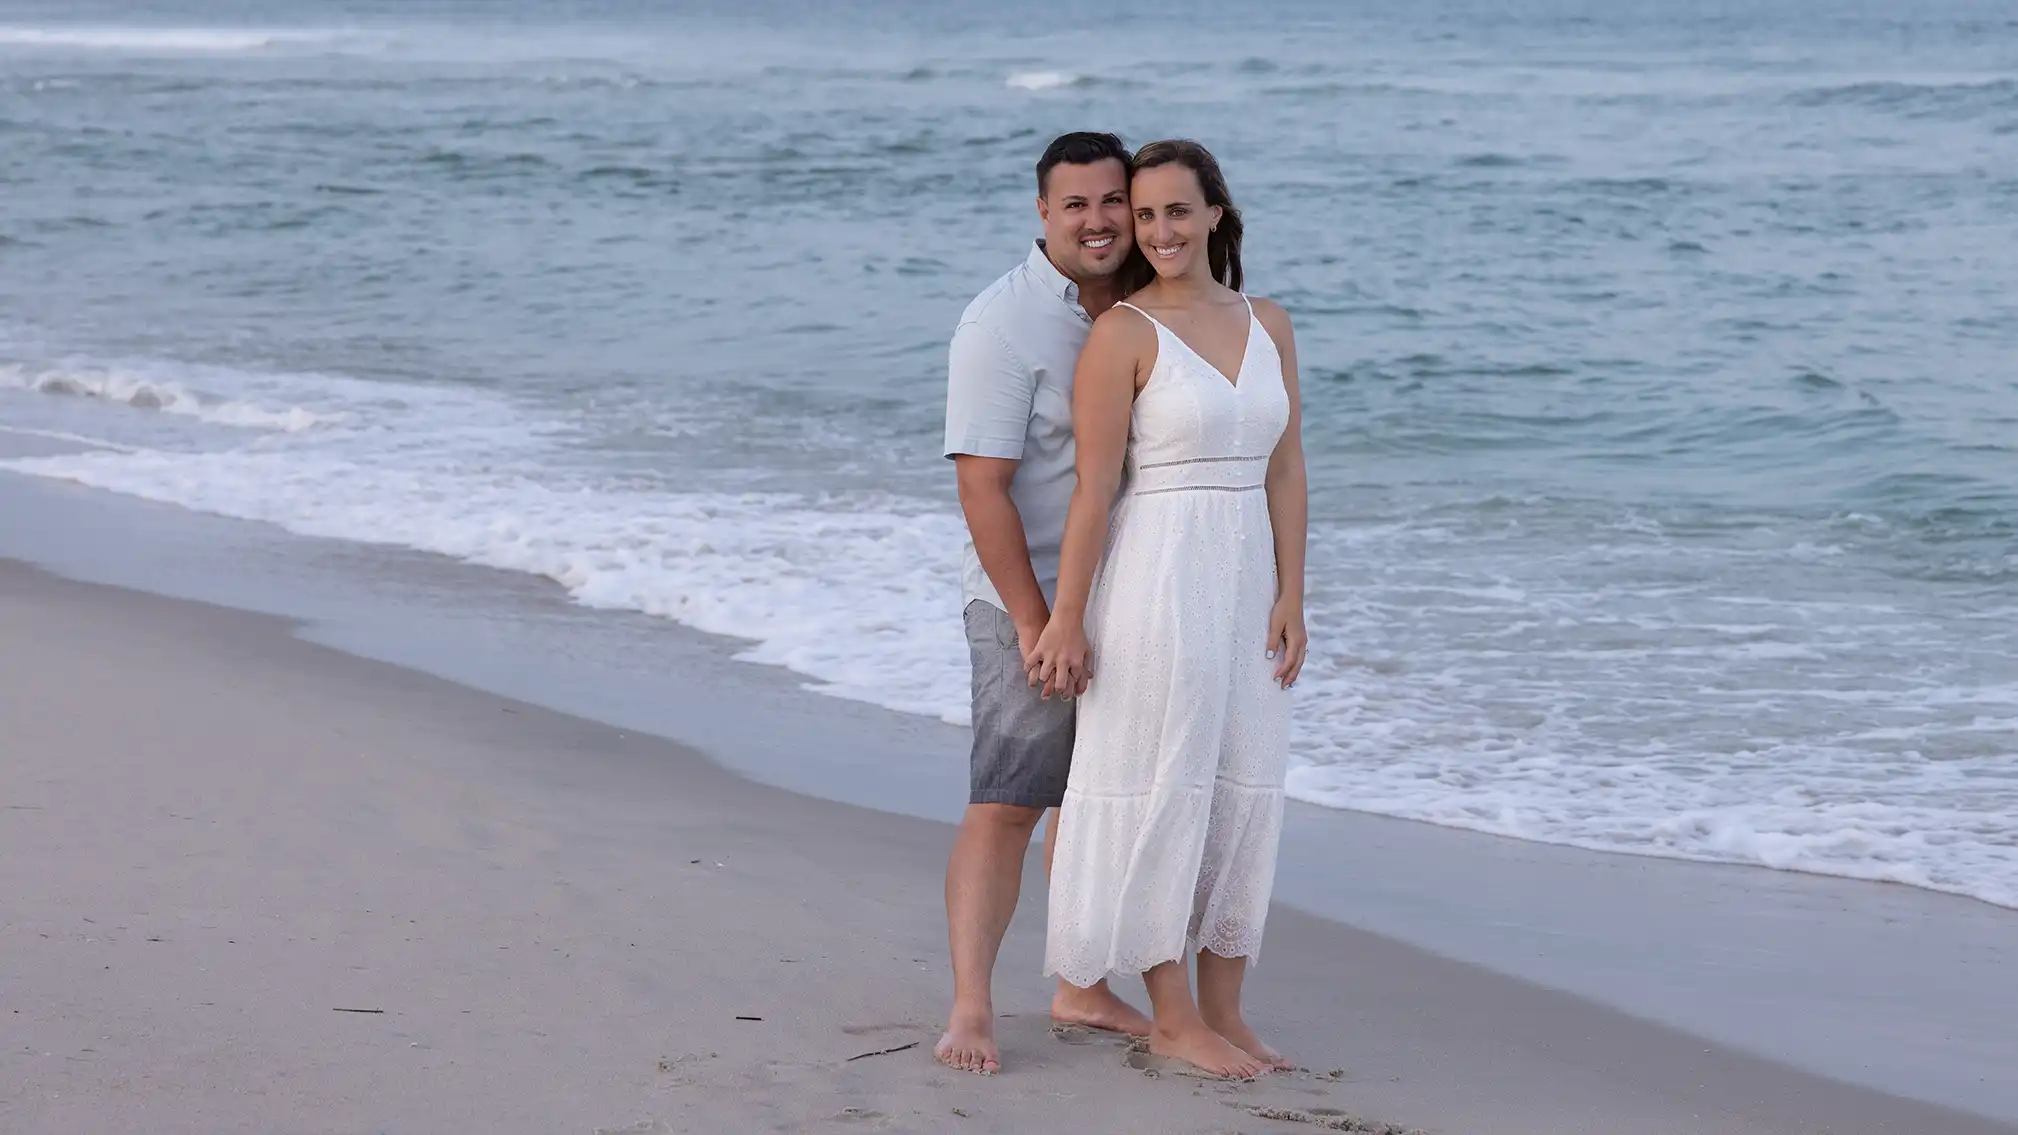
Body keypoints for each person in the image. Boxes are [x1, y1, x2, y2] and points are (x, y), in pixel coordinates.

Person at [1028, 139, 1309, 1080]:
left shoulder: (1269, 323)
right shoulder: (1124, 334)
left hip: (1245, 585)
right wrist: (1067, 617)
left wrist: (1293, 591)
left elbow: (1286, 467)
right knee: (1167, 787)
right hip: (1157, 580)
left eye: (1176, 211)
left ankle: (1225, 1010)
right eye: (1144, 215)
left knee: (1243, 783)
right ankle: (1173, 1017)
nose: (1158, 231)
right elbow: (1093, 492)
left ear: (1215, 213)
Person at [935, 131, 1154, 1075]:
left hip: (1132, 595)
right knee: (1010, 801)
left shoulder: (1149, 302)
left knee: (1100, 801)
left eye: (1113, 202)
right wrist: (1034, 622)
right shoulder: (1003, 324)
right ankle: (971, 1006)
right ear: (1043, 213)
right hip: (1026, 599)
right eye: (1076, 205)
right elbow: (982, 487)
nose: (1098, 222)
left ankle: (1082, 984)